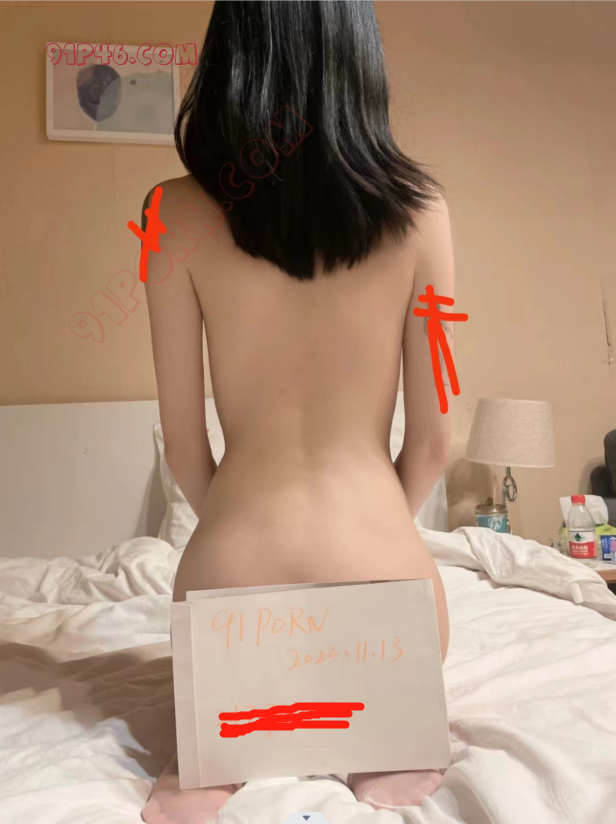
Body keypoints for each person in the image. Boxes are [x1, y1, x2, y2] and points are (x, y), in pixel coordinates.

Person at [141, 1, 455, 821]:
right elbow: (434, 444)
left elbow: (183, 449)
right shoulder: (424, 211)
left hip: (228, 607)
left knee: (217, 733)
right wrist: (367, 527)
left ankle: (213, 771)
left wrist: (243, 521)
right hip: (390, 603)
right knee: (390, 722)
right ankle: (380, 754)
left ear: (232, 53)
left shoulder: (168, 214)